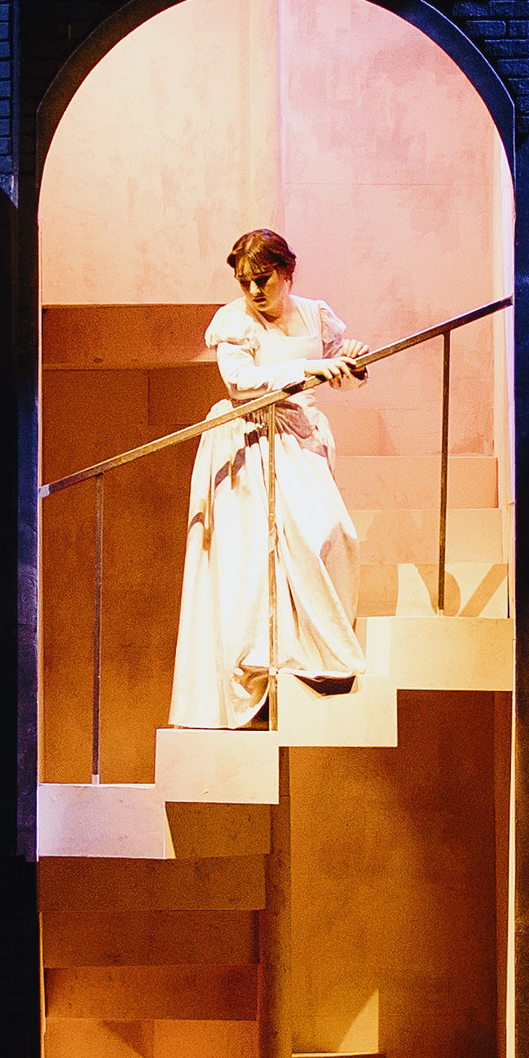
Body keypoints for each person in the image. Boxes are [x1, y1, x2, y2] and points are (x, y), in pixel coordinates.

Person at [169, 229, 369, 730]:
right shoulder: (234, 321)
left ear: (286, 271)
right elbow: (241, 382)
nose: (254, 291)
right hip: (251, 436)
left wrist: (352, 366)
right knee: (254, 559)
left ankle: (318, 650)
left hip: (299, 436)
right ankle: (259, 670)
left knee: (334, 534)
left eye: (263, 279)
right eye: (245, 282)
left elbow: (339, 369)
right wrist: (312, 366)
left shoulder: (315, 314)